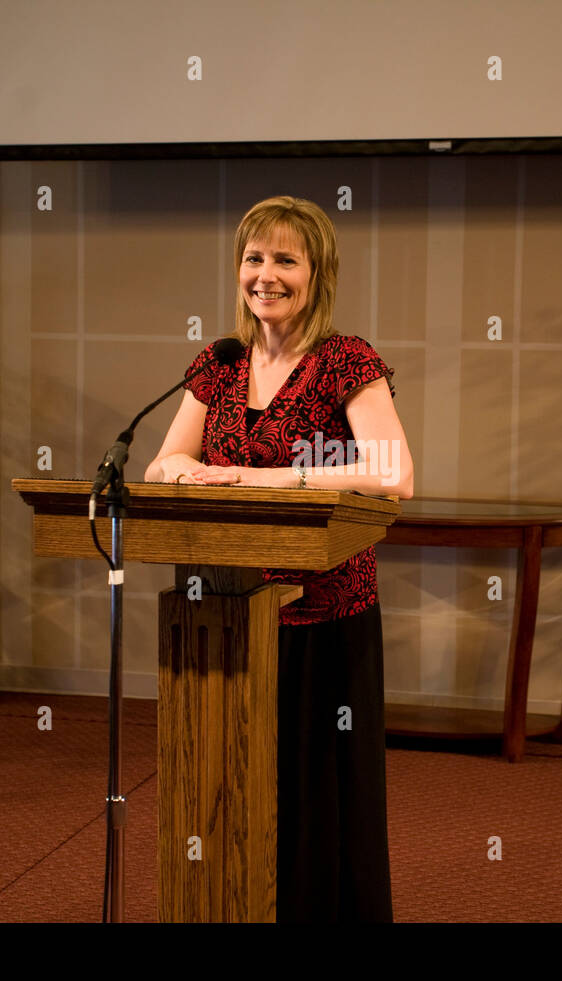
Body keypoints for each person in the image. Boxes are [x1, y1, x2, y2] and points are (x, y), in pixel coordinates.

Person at [144, 195, 414, 922]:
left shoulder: (343, 360)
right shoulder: (220, 363)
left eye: (285, 259)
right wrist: (184, 473)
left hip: (321, 620)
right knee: (230, 788)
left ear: (317, 271)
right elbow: (165, 460)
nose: (266, 275)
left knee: (313, 799)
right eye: (254, 258)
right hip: (224, 619)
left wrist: (255, 476)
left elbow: (393, 472)